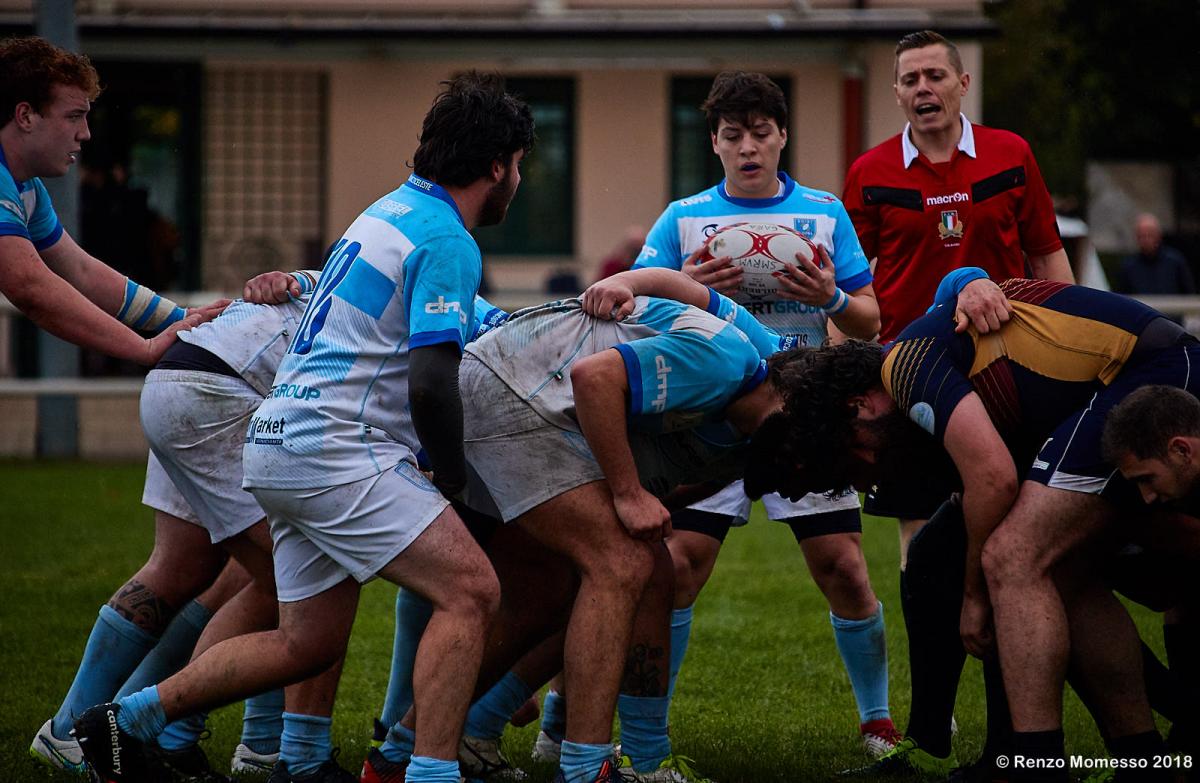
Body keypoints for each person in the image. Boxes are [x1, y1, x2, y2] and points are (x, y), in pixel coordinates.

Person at [72, 72, 535, 783]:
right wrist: (449, 476)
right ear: (498, 166)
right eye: (522, 165)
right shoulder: (448, 237)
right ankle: (428, 772)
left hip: (277, 441)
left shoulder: (389, 210)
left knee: (304, 642)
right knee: (472, 590)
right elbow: (431, 378)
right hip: (335, 448)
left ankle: (125, 720)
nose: (520, 182)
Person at [768, 272, 1197, 780]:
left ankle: (1036, 765)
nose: (868, 464)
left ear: (859, 405)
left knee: (1013, 557)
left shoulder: (903, 365)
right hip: (1148, 372)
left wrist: (974, 596)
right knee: (1043, 567)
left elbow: (993, 480)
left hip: (1153, 377)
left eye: (856, 448)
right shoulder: (934, 366)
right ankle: (1140, 759)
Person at [610, 70, 893, 776]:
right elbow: (634, 308)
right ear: (714, 142)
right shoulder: (683, 219)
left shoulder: (823, 213)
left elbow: (869, 319)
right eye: (733, 135)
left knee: (843, 566)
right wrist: (693, 290)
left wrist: (831, 296)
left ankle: (878, 720)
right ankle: (646, 730)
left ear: (782, 136)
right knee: (678, 568)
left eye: (761, 133)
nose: (748, 147)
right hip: (710, 420)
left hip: (806, 418)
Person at [839, 29, 1073, 774]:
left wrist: (1070, 346)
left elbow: (1047, 254)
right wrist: (852, 360)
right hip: (914, 381)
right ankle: (930, 724)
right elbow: (854, 282)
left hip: (1011, 379)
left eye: (935, 75)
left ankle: (1012, 736)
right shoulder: (871, 172)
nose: (923, 89)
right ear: (897, 92)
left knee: (1007, 551)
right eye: (910, 79)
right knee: (922, 560)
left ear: (963, 84)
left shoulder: (1011, 154)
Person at [0, 36, 223, 367]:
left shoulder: (26, 187)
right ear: (25, 115)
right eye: (74, 116)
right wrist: (143, 348)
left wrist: (183, 317)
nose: (85, 133)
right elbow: (29, 286)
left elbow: (81, 271)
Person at [1114, 213, 1195, 296]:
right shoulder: (1128, 266)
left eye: (1150, 235)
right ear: (1136, 238)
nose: (1146, 240)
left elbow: (1189, 295)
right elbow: (1121, 296)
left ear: (1159, 236)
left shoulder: (1175, 261)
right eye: (1142, 236)